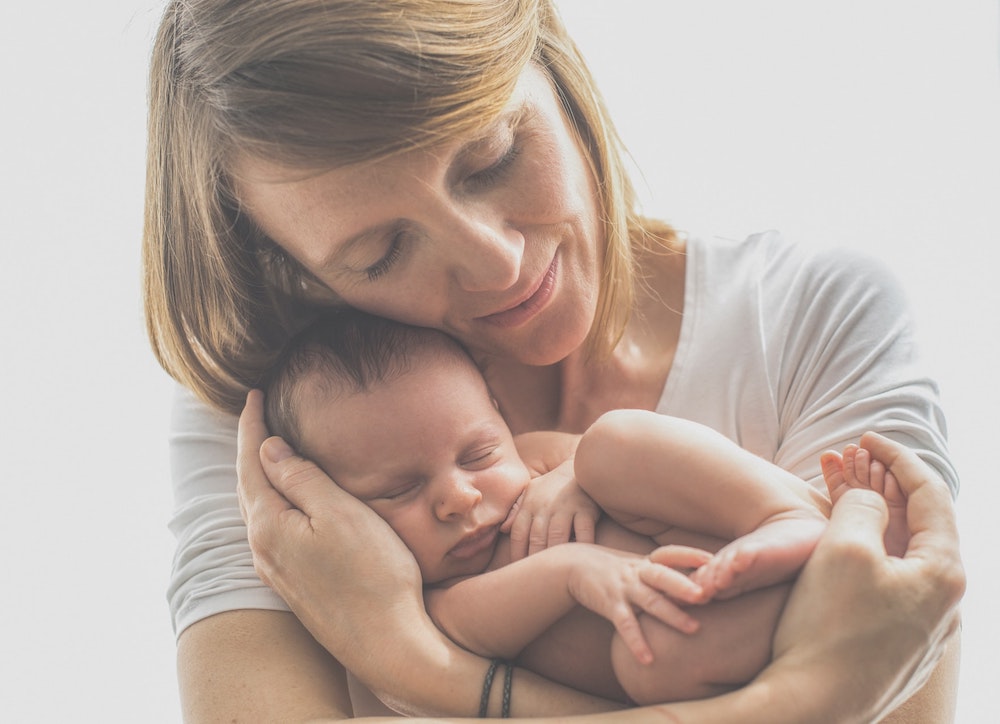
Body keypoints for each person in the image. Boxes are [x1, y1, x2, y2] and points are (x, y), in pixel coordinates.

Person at [143, 0, 964, 719]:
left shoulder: (805, 317)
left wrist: (419, 667)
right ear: (295, 267)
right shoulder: (287, 425)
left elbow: (898, 652)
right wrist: (801, 701)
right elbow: (853, 668)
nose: (497, 263)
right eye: (381, 252)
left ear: (553, 61)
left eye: (494, 154)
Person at [260, 310, 831, 706]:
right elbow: (473, 634)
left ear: (498, 411)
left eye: (479, 453)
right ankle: (801, 603)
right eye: (398, 491)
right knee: (651, 662)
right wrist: (575, 570)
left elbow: (610, 460)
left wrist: (571, 476)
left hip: (723, 545)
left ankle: (786, 516)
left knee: (613, 444)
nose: (460, 496)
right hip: (711, 637)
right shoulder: (429, 605)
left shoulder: (532, 457)